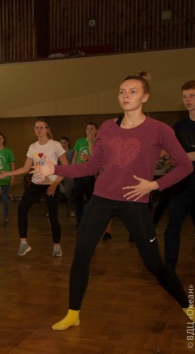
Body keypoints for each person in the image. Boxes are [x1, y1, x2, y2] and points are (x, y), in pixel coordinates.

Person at [32, 72, 194, 330]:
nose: (126, 96)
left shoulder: (160, 129)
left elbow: (185, 165)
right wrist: (55, 169)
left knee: (154, 264)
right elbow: (92, 166)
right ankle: (73, 313)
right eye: (122, 91)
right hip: (102, 199)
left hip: (135, 201)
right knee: (81, 257)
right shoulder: (107, 127)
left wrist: (154, 185)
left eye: (133, 91)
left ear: (145, 97)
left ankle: (188, 306)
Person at [0, 118, 68, 256]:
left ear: (47, 129)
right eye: (36, 127)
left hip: (51, 184)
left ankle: (57, 246)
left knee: (53, 216)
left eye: (42, 127)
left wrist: (55, 184)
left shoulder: (55, 145)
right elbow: (25, 168)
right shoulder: (33, 147)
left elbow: (66, 168)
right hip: (36, 184)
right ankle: (24, 243)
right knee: (21, 209)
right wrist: (8, 173)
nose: (39, 130)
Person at [164, 80, 195, 271]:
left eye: (192, 95)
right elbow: (171, 151)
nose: (187, 100)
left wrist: (184, 156)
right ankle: (169, 270)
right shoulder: (179, 126)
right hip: (182, 185)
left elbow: (181, 155)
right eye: (184, 96)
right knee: (172, 228)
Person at [72, 122, 98, 227]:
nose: (89, 130)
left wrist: (89, 157)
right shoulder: (80, 141)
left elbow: (96, 158)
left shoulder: (98, 142)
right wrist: (72, 169)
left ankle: (91, 220)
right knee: (77, 196)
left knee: (90, 197)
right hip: (79, 172)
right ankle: (80, 220)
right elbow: (75, 156)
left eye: (92, 128)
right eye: (87, 128)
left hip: (89, 173)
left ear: (96, 130)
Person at [0, 132, 15, 226]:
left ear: (4, 140)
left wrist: (12, 177)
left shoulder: (8, 151)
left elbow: (12, 164)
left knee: (4, 199)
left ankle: (6, 218)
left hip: (5, 178)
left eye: (1, 138)